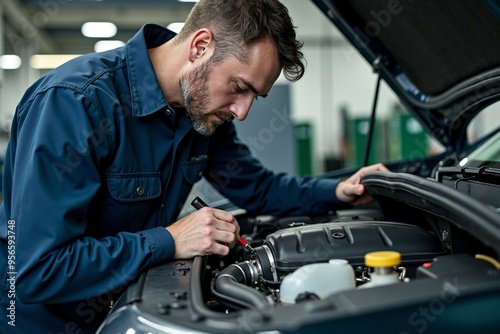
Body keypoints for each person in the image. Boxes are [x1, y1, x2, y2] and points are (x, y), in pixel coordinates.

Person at [0, 0, 388, 332]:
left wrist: (338, 192)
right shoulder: (74, 103)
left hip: (122, 310)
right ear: (201, 46)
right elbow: (35, 271)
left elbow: (257, 187)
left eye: (257, 96)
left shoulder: (200, 115)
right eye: (240, 87)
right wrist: (170, 240)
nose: (242, 111)